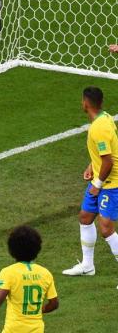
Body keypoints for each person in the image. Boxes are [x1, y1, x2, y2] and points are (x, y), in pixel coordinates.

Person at [63, 87, 118, 280]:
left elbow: (109, 161)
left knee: (106, 228)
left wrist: (97, 182)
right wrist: (91, 166)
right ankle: (87, 266)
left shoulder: (98, 128)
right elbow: (105, 154)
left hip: (111, 183)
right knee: (85, 217)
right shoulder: (105, 118)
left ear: (85, 103)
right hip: (101, 177)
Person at [0, 226, 59, 333]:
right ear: (37, 248)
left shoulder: (8, 272)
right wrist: (40, 310)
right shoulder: (45, 273)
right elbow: (54, 304)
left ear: (12, 249)